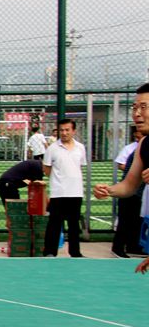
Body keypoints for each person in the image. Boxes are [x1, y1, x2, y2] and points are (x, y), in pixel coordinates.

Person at [94, 84, 149, 267]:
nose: (137, 113)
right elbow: (129, 186)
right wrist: (108, 190)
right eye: (135, 108)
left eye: (143, 107)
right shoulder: (144, 145)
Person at [42, 118, 87, 258]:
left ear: (74, 131)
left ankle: (75, 252)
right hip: (58, 192)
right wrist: (59, 180)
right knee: (54, 224)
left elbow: (80, 167)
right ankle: (50, 252)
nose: (64, 133)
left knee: (74, 224)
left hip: (76, 192)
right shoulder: (52, 149)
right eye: (61, 130)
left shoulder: (80, 148)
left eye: (67, 130)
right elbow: (47, 169)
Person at [110, 125, 144, 258]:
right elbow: (124, 168)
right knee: (125, 221)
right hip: (131, 192)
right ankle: (118, 247)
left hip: (138, 192)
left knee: (136, 221)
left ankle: (133, 245)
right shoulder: (133, 151)